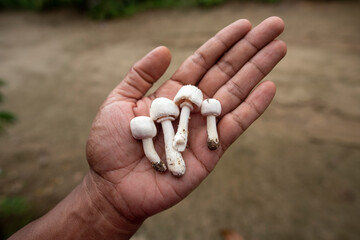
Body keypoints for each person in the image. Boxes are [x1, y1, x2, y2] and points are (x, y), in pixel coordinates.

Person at [9, 16, 286, 240]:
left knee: (176, 140)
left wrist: (105, 203)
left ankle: (165, 158)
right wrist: (106, 199)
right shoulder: (162, 118)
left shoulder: (180, 111)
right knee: (172, 144)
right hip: (163, 137)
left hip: (173, 130)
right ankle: (162, 161)